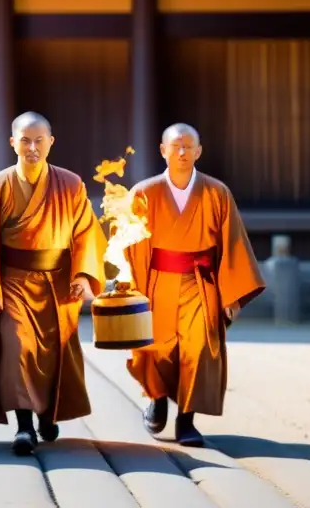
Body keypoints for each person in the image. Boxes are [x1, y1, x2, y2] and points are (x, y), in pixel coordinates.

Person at [0, 111, 108, 456]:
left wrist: (82, 275)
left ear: (50, 143)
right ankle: (24, 427)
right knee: (18, 348)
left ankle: (49, 413)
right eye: (25, 140)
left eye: (39, 140)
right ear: (13, 142)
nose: (32, 147)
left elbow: (87, 233)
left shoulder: (71, 184)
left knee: (54, 352)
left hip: (59, 283)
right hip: (14, 282)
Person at [124, 123, 266, 447]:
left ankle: (186, 419)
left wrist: (231, 294)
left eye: (189, 147)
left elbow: (232, 244)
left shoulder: (217, 193)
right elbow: (130, 247)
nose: (183, 152)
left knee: (198, 348)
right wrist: (130, 290)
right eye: (176, 146)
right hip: (156, 281)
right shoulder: (144, 193)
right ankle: (157, 399)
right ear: (163, 150)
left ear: (199, 151)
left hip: (200, 282)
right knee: (155, 348)